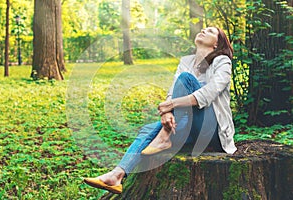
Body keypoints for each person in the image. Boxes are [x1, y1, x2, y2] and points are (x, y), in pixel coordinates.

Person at [84, 27, 237, 194]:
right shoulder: (186, 61)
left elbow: (211, 92)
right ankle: (116, 175)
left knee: (186, 79)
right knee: (148, 129)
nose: (203, 30)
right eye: (203, 28)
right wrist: (167, 113)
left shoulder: (222, 61)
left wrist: (171, 105)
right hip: (189, 129)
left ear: (217, 43)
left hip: (211, 130)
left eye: (210, 31)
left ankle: (165, 136)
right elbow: (172, 92)